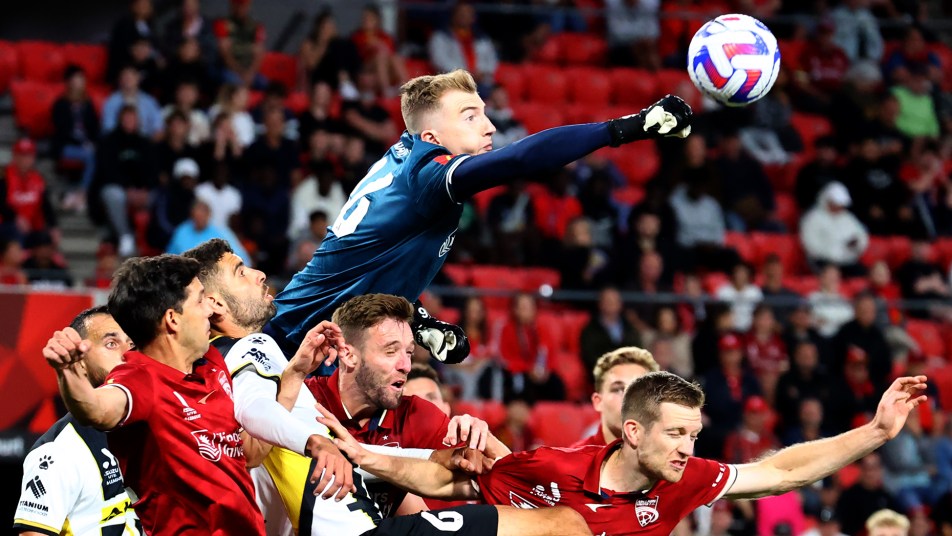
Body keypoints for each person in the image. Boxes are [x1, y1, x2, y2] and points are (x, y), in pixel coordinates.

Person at [270, 69, 692, 362]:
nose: (489, 126)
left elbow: (375, 255)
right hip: (282, 346)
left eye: (484, 113)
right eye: (470, 117)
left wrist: (414, 317)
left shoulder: (402, 160)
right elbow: (521, 159)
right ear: (432, 136)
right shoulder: (427, 173)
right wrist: (628, 128)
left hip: (307, 341)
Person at [327, 370, 929, 536]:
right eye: (675, 434)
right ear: (633, 431)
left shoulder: (683, 480)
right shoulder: (552, 467)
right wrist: (358, 453)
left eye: (692, 435)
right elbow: (444, 482)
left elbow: (779, 472)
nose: (687, 449)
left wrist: (875, 432)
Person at [42, 254, 265, 535]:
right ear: (172, 319)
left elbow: (249, 454)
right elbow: (96, 408)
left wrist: (292, 378)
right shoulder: (139, 379)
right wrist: (68, 371)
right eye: (199, 299)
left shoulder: (210, 362)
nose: (210, 308)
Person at [292, 293, 509, 517]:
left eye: (409, 352)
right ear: (348, 355)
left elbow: (514, 479)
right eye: (391, 351)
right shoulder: (303, 400)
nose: (406, 366)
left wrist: (486, 439)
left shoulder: (417, 414)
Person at [15, 306, 142, 535]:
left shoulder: (148, 427)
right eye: (111, 344)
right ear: (80, 362)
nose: (127, 353)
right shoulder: (58, 451)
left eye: (131, 344)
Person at [573, 347, 659, 447]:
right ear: (598, 402)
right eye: (618, 390)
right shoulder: (574, 461)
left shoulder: (671, 458)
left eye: (639, 390)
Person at [800, 182, 869, 277]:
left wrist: (856, 244)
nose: (839, 207)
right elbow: (811, 246)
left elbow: (861, 235)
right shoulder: (813, 218)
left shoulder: (848, 217)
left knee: (864, 274)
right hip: (824, 262)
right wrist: (836, 252)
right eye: (836, 203)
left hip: (847, 262)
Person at [579, 288, 641, 376]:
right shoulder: (590, 330)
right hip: (602, 375)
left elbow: (637, 351)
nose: (611, 304)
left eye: (614, 300)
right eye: (608, 300)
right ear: (600, 304)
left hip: (629, 374)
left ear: (620, 304)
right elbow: (590, 357)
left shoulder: (629, 328)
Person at [213, 0, 267, 88]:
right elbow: (224, 52)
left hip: (249, 71)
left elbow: (260, 52)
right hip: (228, 69)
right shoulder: (222, 23)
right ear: (231, 6)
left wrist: (250, 73)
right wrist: (239, 72)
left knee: (265, 84)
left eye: (243, 5)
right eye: (237, 5)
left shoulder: (256, 25)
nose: (240, 8)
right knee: (234, 81)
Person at [101, 65, 163, 138]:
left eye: (131, 76)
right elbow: (108, 128)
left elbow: (158, 128)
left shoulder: (150, 101)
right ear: (120, 80)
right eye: (125, 77)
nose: (128, 79)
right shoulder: (111, 102)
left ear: (138, 78)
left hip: (145, 142)